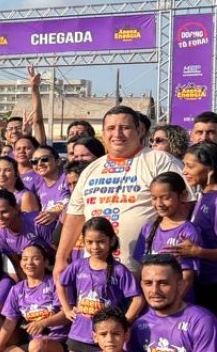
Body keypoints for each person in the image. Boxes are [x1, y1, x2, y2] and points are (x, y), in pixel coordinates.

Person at [54, 105, 181, 279]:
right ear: (103, 133)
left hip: (148, 275)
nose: (117, 134)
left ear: (139, 130)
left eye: (125, 128)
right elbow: (75, 217)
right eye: (111, 128)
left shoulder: (159, 161)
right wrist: (61, 258)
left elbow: (185, 205)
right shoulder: (91, 169)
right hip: (96, 276)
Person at [58, 216, 142, 352]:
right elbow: (61, 283)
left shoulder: (119, 271)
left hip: (104, 339)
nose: (95, 247)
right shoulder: (78, 266)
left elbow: (137, 299)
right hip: (78, 334)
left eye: (101, 242)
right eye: (90, 242)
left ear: (111, 241)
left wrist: (124, 322)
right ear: (84, 242)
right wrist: (66, 308)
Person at [177, 141, 217, 324]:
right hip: (202, 280)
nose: (184, 171)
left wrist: (197, 252)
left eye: (190, 166)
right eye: (184, 165)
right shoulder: (203, 195)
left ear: (210, 168)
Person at [132, 172, 200, 294]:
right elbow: (140, 269)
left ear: (183, 195)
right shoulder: (148, 229)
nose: (159, 204)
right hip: (152, 304)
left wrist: (172, 303)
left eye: (165, 197)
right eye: (154, 198)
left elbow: (187, 276)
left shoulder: (188, 232)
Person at [0, 191, 52, 280]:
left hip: (54, 265)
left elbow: (62, 253)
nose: (0, 217)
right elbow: (18, 265)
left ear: (16, 209)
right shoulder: (0, 234)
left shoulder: (37, 222)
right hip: (34, 271)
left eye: (4, 212)